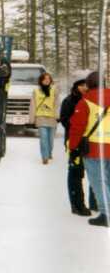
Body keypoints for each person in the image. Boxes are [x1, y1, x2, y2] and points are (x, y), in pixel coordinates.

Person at [68, 71, 110, 227]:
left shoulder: (85, 101)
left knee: (98, 182)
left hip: (93, 149)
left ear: (89, 84)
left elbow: (77, 128)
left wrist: (73, 148)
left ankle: (106, 214)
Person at [60, 78, 97, 216]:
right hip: (74, 141)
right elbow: (64, 120)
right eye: (82, 85)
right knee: (76, 173)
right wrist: (78, 129)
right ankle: (77, 204)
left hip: (90, 141)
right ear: (76, 86)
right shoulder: (69, 101)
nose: (84, 87)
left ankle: (95, 203)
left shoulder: (92, 100)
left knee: (94, 172)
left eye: (86, 85)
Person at [29, 72, 59, 165]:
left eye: (48, 79)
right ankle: (44, 157)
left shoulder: (54, 90)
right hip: (40, 117)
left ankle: (49, 153)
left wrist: (57, 116)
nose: (47, 80)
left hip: (52, 118)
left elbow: (57, 104)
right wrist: (32, 118)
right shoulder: (36, 91)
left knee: (50, 139)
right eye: (45, 79)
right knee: (43, 138)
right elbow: (32, 105)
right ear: (41, 80)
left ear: (50, 80)